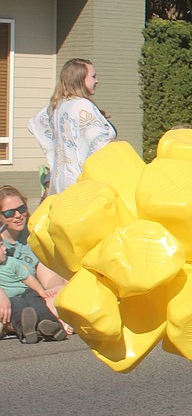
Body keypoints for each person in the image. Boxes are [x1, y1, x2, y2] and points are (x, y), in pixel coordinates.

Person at [28, 58, 116, 195]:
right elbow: (101, 145)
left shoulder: (57, 106)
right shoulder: (82, 105)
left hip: (61, 181)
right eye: (93, 77)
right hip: (81, 181)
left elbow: (35, 123)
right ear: (80, 79)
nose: (97, 81)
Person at [0, 186, 68, 343]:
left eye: (21, 209)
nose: (18, 216)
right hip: (6, 301)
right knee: (12, 307)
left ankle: (35, 324)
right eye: (10, 213)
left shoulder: (32, 237)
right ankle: (41, 323)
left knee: (62, 295)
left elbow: (48, 276)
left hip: (31, 297)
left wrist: (55, 288)